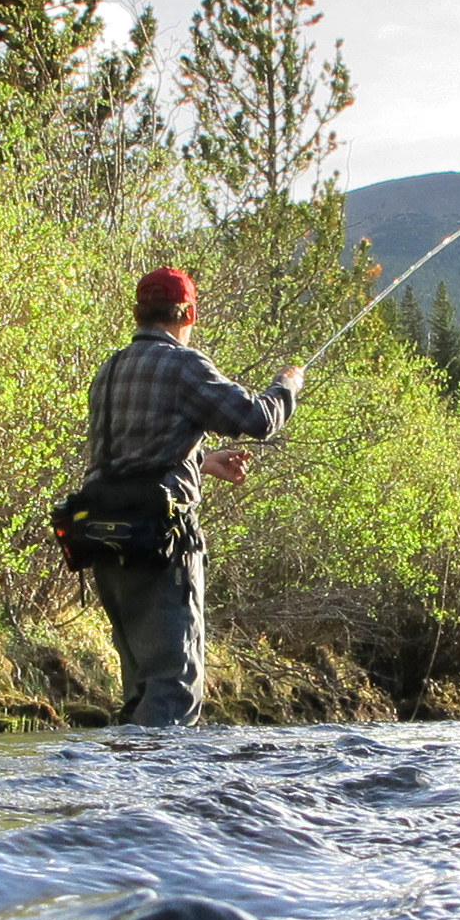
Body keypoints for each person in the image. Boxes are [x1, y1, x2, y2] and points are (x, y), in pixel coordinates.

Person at [81, 267, 304, 726]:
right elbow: (256, 419)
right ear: (190, 313)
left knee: (141, 683)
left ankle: (121, 789)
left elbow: (126, 457)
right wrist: (287, 385)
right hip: (160, 538)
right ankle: (162, 797)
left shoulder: (111, 368)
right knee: (174, 686)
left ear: (138, 312)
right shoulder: (182, 365)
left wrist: (202, 461)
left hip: (101, 534)